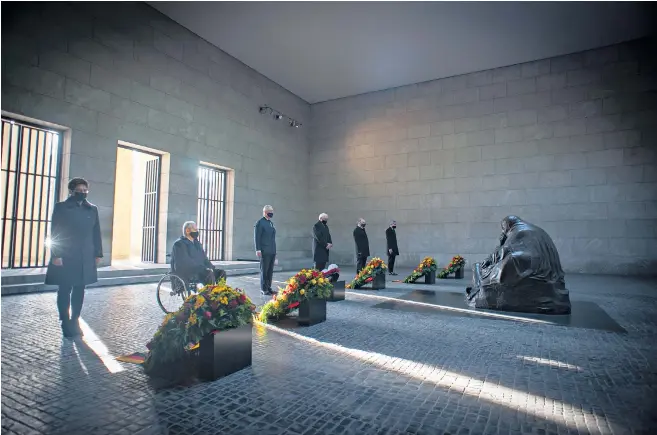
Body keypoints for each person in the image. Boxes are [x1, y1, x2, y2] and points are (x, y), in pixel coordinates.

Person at [45, 177, 103, 338]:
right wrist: (56, 254)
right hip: (66, 254)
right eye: (80, 190)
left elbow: (96, 232)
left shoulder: (92, 209)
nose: (83, 193)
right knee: (64, 289)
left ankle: (75, 319)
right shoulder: (61, 207)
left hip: (85, 255)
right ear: (72, 191)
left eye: (85, 190)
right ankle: (65, 320)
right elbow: (55, 232)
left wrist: (98, 253)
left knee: (80, 288)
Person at [171, 221, 226, 287]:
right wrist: (203, 268)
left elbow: (204, 258)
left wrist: (211, 267)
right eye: (195, 229)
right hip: (189, 272)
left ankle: (219, 292)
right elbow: (185, 261)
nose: (197, 231)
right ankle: (208, 295)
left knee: (221, 273)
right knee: (208, 273)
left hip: (201, 270)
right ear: (187, 230)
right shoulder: (179, 244)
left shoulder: (197, 243)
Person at [254, 205, 277, 295]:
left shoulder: (270, 223)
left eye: (272, 211)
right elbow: (257, 237)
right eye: (270, 211)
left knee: (270, 270)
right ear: (265, 212)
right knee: (264, 270)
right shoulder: (260, 223)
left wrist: (275, 251)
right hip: (264, 250)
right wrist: (258, 249)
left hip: (272, 250)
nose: (272, 213)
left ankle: (268, 287)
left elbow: (272, 238)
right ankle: (264, 288)